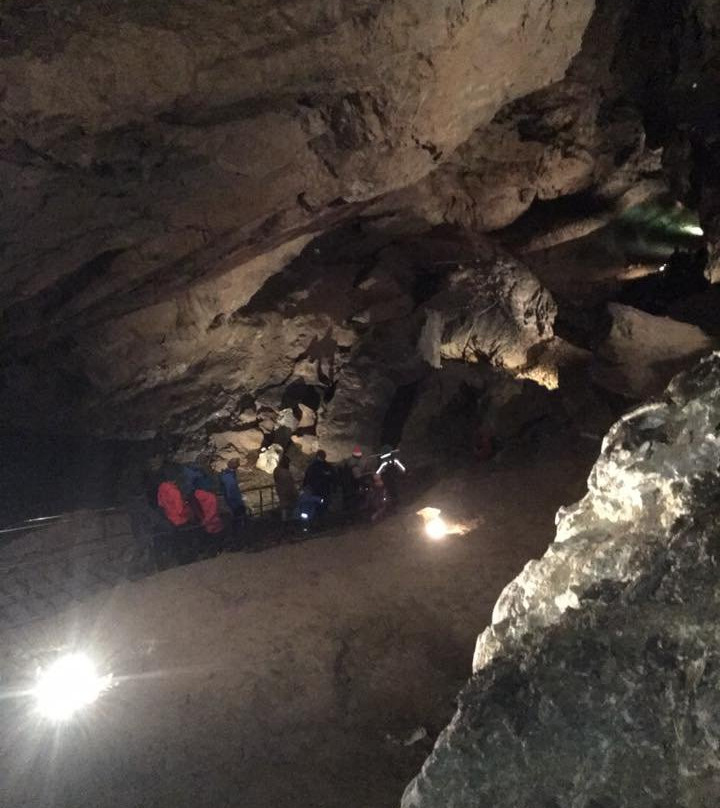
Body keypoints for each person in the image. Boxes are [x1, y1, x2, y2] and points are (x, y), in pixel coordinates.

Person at [220, 458, 248, 536]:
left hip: (232, 500)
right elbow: (231, 492)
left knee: (237, 517)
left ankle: (238, 532)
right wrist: (239, 501)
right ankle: (239, 533)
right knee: (238, 517)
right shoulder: (230, 477)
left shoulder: (226, 474)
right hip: (235, 502)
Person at [273, 454, 298, 521]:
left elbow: (276, 479)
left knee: (283, 506)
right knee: (291, 505)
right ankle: (291, 519)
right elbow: (290, 483)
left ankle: (284, 519)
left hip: (280, 489)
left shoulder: (276, 470)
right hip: (287, 490)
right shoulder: (286, 473)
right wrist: (294, 491)